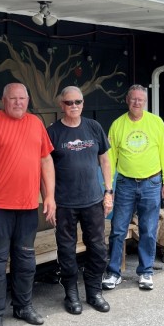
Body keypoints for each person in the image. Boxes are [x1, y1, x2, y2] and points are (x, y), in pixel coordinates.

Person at [0, 83, 56, 326]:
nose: (18, 103)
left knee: (26, 261)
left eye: (22, 98)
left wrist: (49, 195)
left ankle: (23, 307)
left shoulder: (35, 124)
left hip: (28, 206)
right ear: (3, 100)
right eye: (13, 98)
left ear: (28, 100)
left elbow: (45, 160)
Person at [47, 87, 113, 314]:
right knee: (66, 250)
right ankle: (71, 295)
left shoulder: (93, 127)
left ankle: (94, 292)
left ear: (83, 103)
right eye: (68, 103)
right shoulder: (53, 132)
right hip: (64, 203)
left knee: (98, 249)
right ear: (61, 105)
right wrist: (49, 200)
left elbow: (105, 161)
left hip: (93, 200)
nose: (73, 106)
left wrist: (109, 191)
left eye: (78, 102)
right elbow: (44, 168)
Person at [103, 84, 164, 291]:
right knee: (117, 230)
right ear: (127, 100)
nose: (136, 102)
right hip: (125, 183)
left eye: (140, 100)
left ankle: (145, 272)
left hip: (151, 183)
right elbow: (109, 158)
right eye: (133, 99)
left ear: (145, 102)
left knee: (148, 231)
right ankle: (113, 272)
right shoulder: (117, 125)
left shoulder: (156, 123)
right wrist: (108, 187)